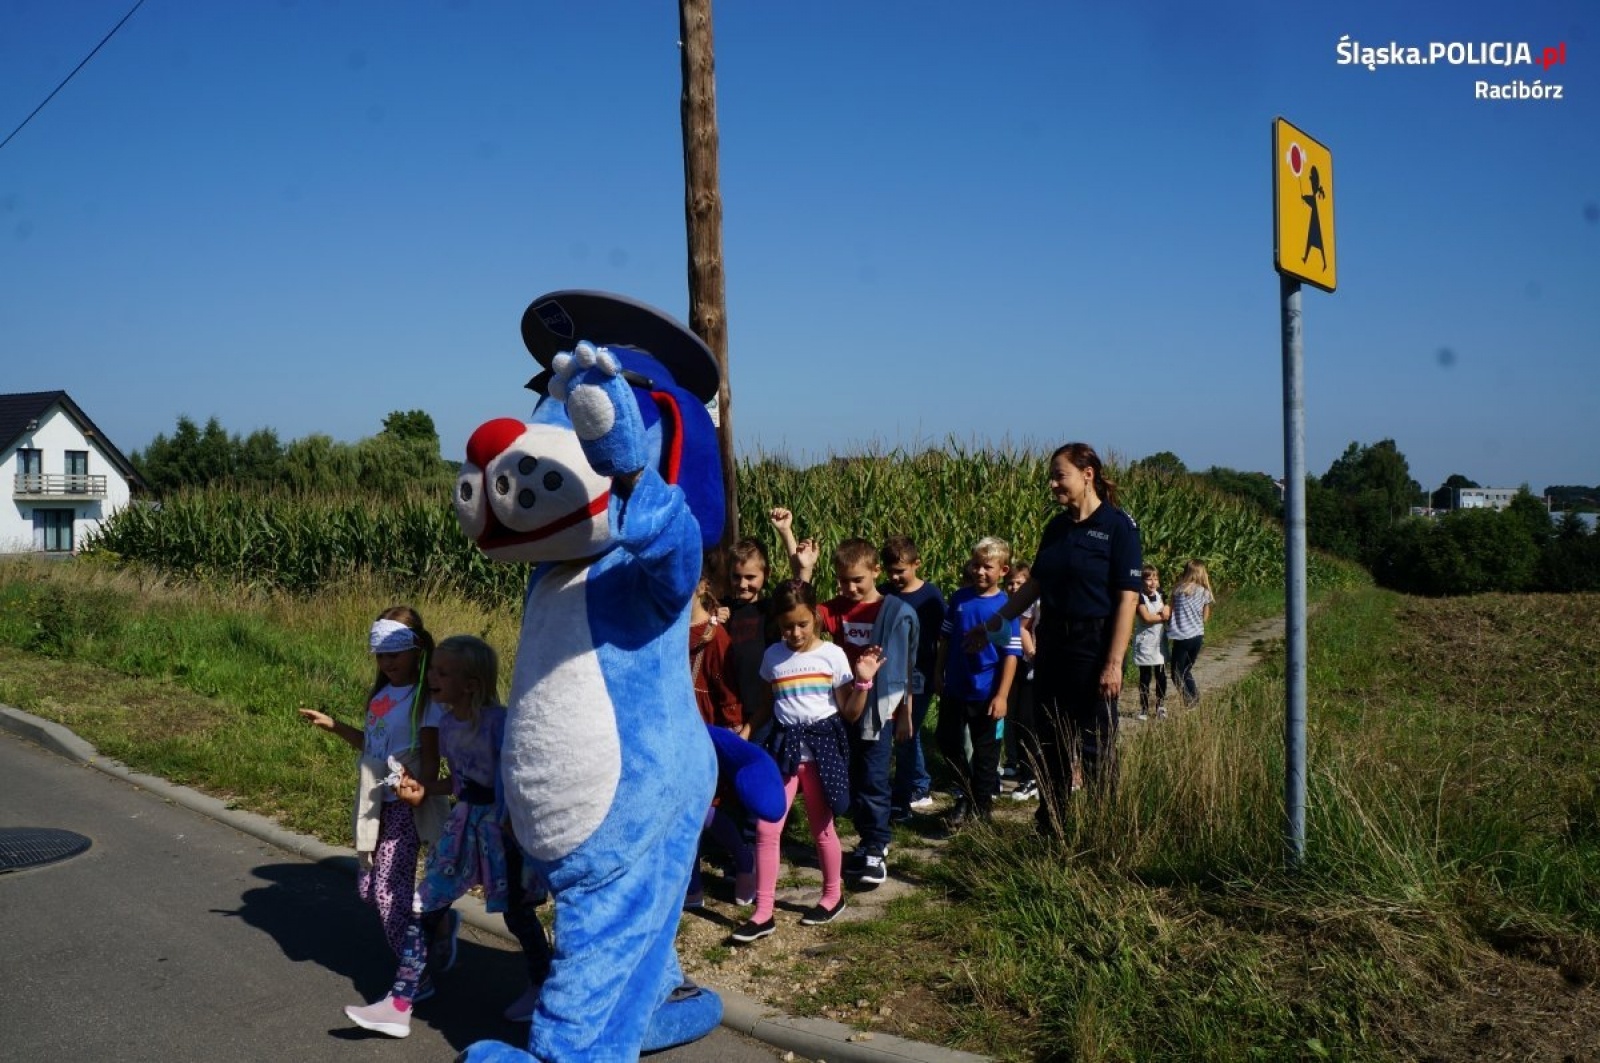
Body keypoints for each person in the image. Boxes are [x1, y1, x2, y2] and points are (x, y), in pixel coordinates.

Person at [342, 635, 553, 1037]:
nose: (432, 678)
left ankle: (543, 985)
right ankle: (401, 1000)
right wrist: (423, 789)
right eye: (432, 669)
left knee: (517, 912)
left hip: (501, 831)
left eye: (442, 672)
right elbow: (458, 781)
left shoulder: (499, 722)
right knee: (423, 905)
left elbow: (517, 774)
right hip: (464, 827)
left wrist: (516, 823)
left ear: (470, 684)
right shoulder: (450, 723)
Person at [972, 443, 1142, 836]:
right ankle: (1054, 824)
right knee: (1050, 740)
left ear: (1088, 474)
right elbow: (1036, 584)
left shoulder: (1118, 527)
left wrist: (1113, 664)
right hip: (1054, 645)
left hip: (1093, 644)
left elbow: (1127, 599)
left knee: (1094, 745)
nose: (1052, 484)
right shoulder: (1057, 527)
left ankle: (1102, 830)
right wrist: (993, 624)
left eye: (1059, 475)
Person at [299, 606, 448, 1013]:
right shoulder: (381, 696)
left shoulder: (425, 701)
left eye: (394, 653)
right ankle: (440, 924)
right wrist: (335, 726)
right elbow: (373, 747)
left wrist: (417, 789)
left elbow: (431, 763)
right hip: (373, 804)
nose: (387, 662)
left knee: (386, 892)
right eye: (380, 655)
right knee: (368, 888)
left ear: (417, 649)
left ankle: (416, 977)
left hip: (404, 807)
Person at [732, 579, 883, 943]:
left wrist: (863, 684)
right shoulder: (773, 657)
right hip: (783, 750)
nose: (795, 633)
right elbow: (770, 703)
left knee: (822, 827)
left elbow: (848, 712)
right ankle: (763, 911)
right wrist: (749, 729)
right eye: (787, 626)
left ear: (814, 616)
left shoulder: (831, 656)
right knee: (768, 828)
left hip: (821, 752)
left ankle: (833, 895)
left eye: (802, 623)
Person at [810, 536, 916, 887]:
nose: (850, 588)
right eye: (843, 581)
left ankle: (876, 845)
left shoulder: (895, 613)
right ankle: (864, 836)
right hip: (844, 708)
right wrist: (804, 566)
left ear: (875, 571)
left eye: (858, 580)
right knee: (852, 777)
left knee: (873, 778)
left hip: (880, 713)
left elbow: (904, 667)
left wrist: (905, 712)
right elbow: (805, 615)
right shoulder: (835, 608)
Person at [934, 537, 1020, 827]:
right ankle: (966, 795)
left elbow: (1010, 655)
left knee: (986, 754)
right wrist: (938, 673)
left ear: (1003, 570)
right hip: (956, 688)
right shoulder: (959, 599)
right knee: (946, 742)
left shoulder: (1005, 607)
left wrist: (1002, 696)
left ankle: (981, 810)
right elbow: (945, 638)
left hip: (987, 694)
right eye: (976, 565)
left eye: (988, 567)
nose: (980, 572)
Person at [686, 556, 752, 909]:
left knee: (705, 810)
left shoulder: (714, 637)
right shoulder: (665, 631)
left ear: (701, 586)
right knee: (680, 812)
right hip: (672, 733)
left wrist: (730, 736)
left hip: (706, 733)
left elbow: (727, 692)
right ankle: (692, 885)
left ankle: (744, 862)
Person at [881, 535, 944, 821]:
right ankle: (919, 784)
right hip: (889, 673)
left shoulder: (930, 595)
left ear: (916, 564)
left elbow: (941, 636)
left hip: (920, 673)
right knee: (908, 733)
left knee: (906, 733)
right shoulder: (884, 594)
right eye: (890, 570)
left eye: (900, 570)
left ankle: (903, 798)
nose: (894, 576)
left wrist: (938, 672)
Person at [1003, 563, 1041, 801]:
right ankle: (1027, 773)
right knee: (1022, 720)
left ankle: (1041, 776)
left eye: (1020, 583)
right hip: (1028, 665)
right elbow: (1024, 627)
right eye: (1011, 583)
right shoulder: (1032, 600)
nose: (1015, 587)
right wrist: (1033, 654)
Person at [1166, 559, 1214, 707]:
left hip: (1182, 636)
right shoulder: (1205, 592)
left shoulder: (1178, 589)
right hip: (1198, 636)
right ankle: (1195, 697)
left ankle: (1189, 701)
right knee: (1186, 669)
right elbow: (1205, 618)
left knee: (1176, 673)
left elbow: (1170, 611)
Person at [1133, 565, 1171, 721]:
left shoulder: (1162, 594)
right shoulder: (1139, 597)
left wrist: (1166, 610)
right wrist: (1163, 616)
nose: (1153, 582)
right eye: (1149, 578)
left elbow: (1169, 608)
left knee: (1161, 675)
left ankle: (1160, 706)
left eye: (1155, 578)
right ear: (1142, 581)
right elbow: (1146, 618)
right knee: (1145, 676)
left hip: (1159, 641)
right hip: (1145, 642)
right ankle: (1143, 708)